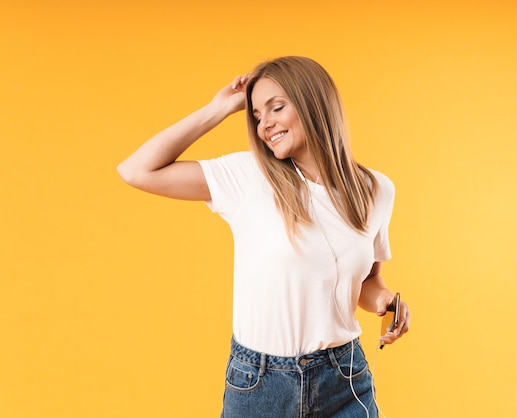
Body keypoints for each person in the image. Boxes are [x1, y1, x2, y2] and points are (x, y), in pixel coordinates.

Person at [117, 56, 410, 417]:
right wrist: (218, 109)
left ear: (313, 102)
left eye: (276, 107)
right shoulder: (247, 177)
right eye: (256, 116)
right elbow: (136, 170)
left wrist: (385, 302)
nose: (264, 124)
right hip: (261, 385)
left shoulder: (376, 190)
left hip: (345, 378)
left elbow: (369, 278)